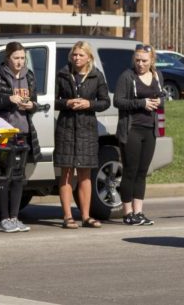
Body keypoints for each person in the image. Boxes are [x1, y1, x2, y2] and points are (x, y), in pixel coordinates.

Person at [0, 41, 41, 233]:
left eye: (23, 58)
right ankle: (4, 218)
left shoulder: (29, 76)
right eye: (16, 58)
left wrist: (31, 106)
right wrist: (7, 100)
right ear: (8, 58)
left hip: (23, 132)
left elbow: (36, 103)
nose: (19, 62)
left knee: (18, 177)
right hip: (4, 133)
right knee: (3, 177)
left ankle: (15, 218)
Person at [54, 41, 110, 229]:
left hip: (87, 129)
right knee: (67, 173)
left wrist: (89, 104)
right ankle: (67, 216)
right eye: (74, 55)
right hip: (66, 128)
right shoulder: (62, 74)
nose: (76, 58)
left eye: (80, 55)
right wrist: (67, 102)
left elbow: (105, 102)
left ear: (88, 57)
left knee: (85, 174)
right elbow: (53, 101)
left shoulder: (96, 75)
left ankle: (86, 216)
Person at [114, 44, 163, 226]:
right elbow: (118, 101)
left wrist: (160, 100)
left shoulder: (157, 76)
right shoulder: (127, 76)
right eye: (137, 60)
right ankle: (127, 213)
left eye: (144, 61)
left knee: (142, 172)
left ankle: (139, 212)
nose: (140, 64)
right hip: (131, 129)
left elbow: (162, 96)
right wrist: (141, 103)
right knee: (130, 171)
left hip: (150, 129)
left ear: (151, 61)